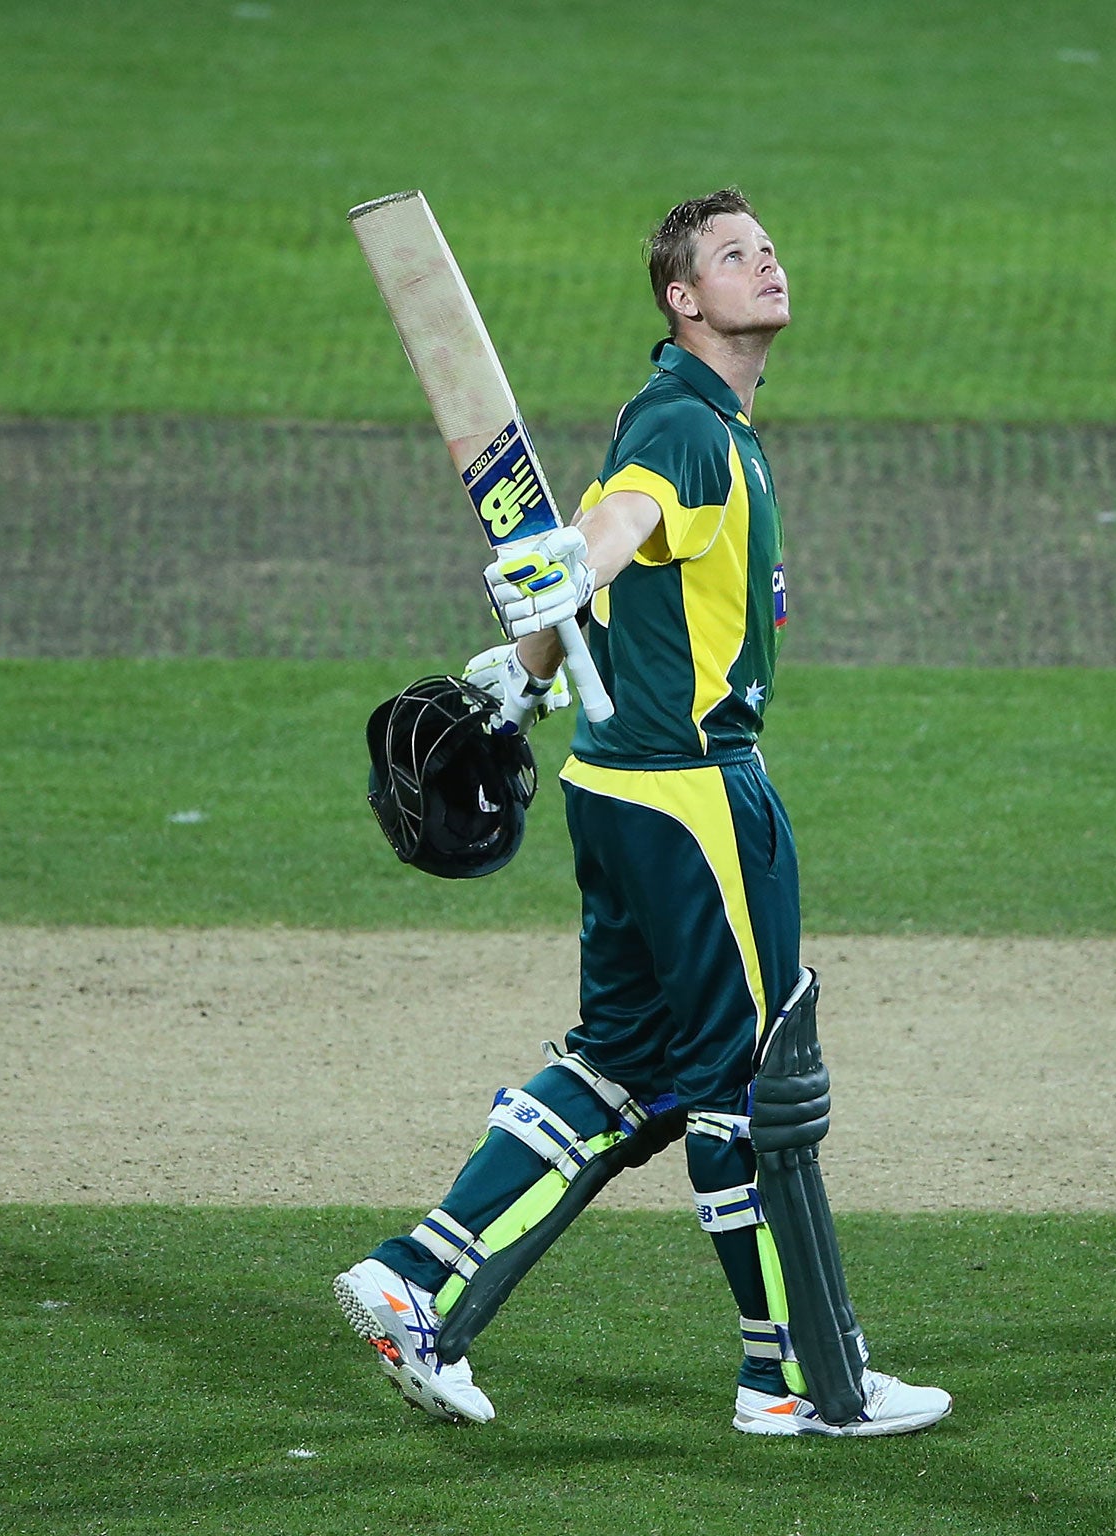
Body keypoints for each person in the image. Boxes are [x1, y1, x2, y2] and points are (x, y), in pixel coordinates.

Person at [335, 189, 950, 1438]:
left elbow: (593, 551)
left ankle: (419, 1276)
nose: (765, 262)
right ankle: (792, 1379)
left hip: (609, 791)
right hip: (692, 800)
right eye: (734, 256)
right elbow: (609, 533)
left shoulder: (668, 414)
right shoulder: (687, 430)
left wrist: (526, 666)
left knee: (622, 1069)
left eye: (768, 245)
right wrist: (574, 570)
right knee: (751, 1087)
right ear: (684, 298)